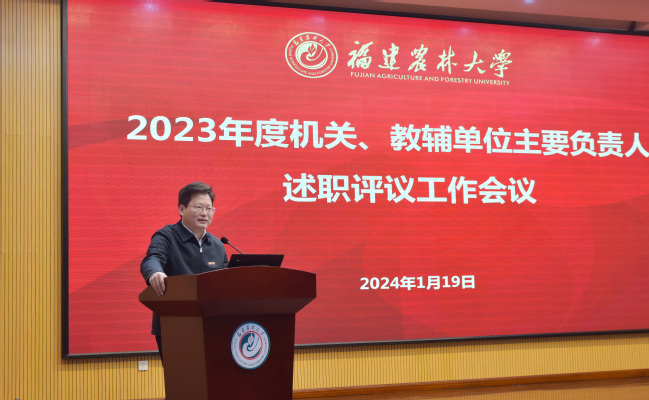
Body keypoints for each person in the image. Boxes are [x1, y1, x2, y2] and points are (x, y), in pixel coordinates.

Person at [140, 182, 229, 362]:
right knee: (183, 377)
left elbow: (227, 280)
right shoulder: (167, 236)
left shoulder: (217, 244)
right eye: (199, 207)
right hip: (174, 326)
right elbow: (152, 259)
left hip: (212, 326)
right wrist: (155, 273)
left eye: (209, 208)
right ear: (181, 209)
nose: (205, 213)